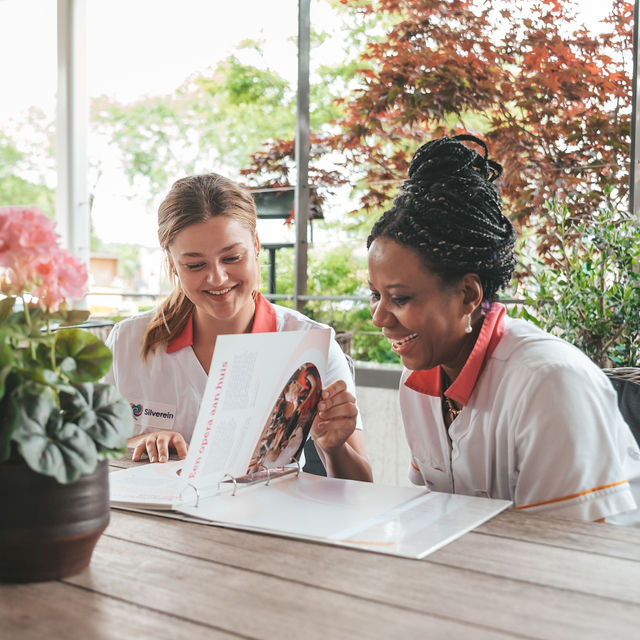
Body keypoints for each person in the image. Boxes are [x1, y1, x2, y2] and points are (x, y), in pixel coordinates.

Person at [366, 134, 640, 523]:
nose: (379, 318)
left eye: (401, 298)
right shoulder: (417, 381)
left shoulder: (548, 383)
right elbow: (438, 514)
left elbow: (564, 554)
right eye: (375, 295)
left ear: (467, 295)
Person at [105, 173, 372, 482]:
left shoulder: (309, 345)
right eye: (195, 265)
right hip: (153, 528)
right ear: (171, 263)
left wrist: (334, 448)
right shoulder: (127, 342)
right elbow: (80, 446)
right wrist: (135, 443)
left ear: (256, 245)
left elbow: (363, 485)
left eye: (232, 257)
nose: (217, 278)